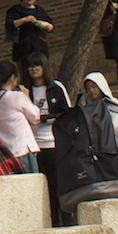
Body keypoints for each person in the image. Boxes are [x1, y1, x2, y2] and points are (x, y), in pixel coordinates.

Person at [47, 69, 118, 221]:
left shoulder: (111, 104)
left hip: (109, 147)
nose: (92, 91)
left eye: (94, 87)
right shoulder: (84, 106)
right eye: (88, 88)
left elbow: (114, 126)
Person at [23, 57, 73, 221]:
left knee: (60, 184)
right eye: (31, 66)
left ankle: (67, 220)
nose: (34, 69)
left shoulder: (55, 88)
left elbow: (66, 113)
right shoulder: (25, 91)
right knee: (46, 187)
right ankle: (53, 222)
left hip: (53, 142)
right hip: (35, 145)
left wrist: (45, 118)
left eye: (37, 65)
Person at [0, 59, 42, 174]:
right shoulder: (17, 96)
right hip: (23, 149)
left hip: (6, 152)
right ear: (13, 78)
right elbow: (35, 117)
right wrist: (27, 96)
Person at [4, 0, 54, 71]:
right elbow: (9, 25)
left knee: (44, 70)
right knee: (26, 71)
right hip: (23, 48)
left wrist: (44, 24)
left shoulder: (40, 10)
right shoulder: (15, 11)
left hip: (40, 46)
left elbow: (51, 27)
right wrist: (23, 20)